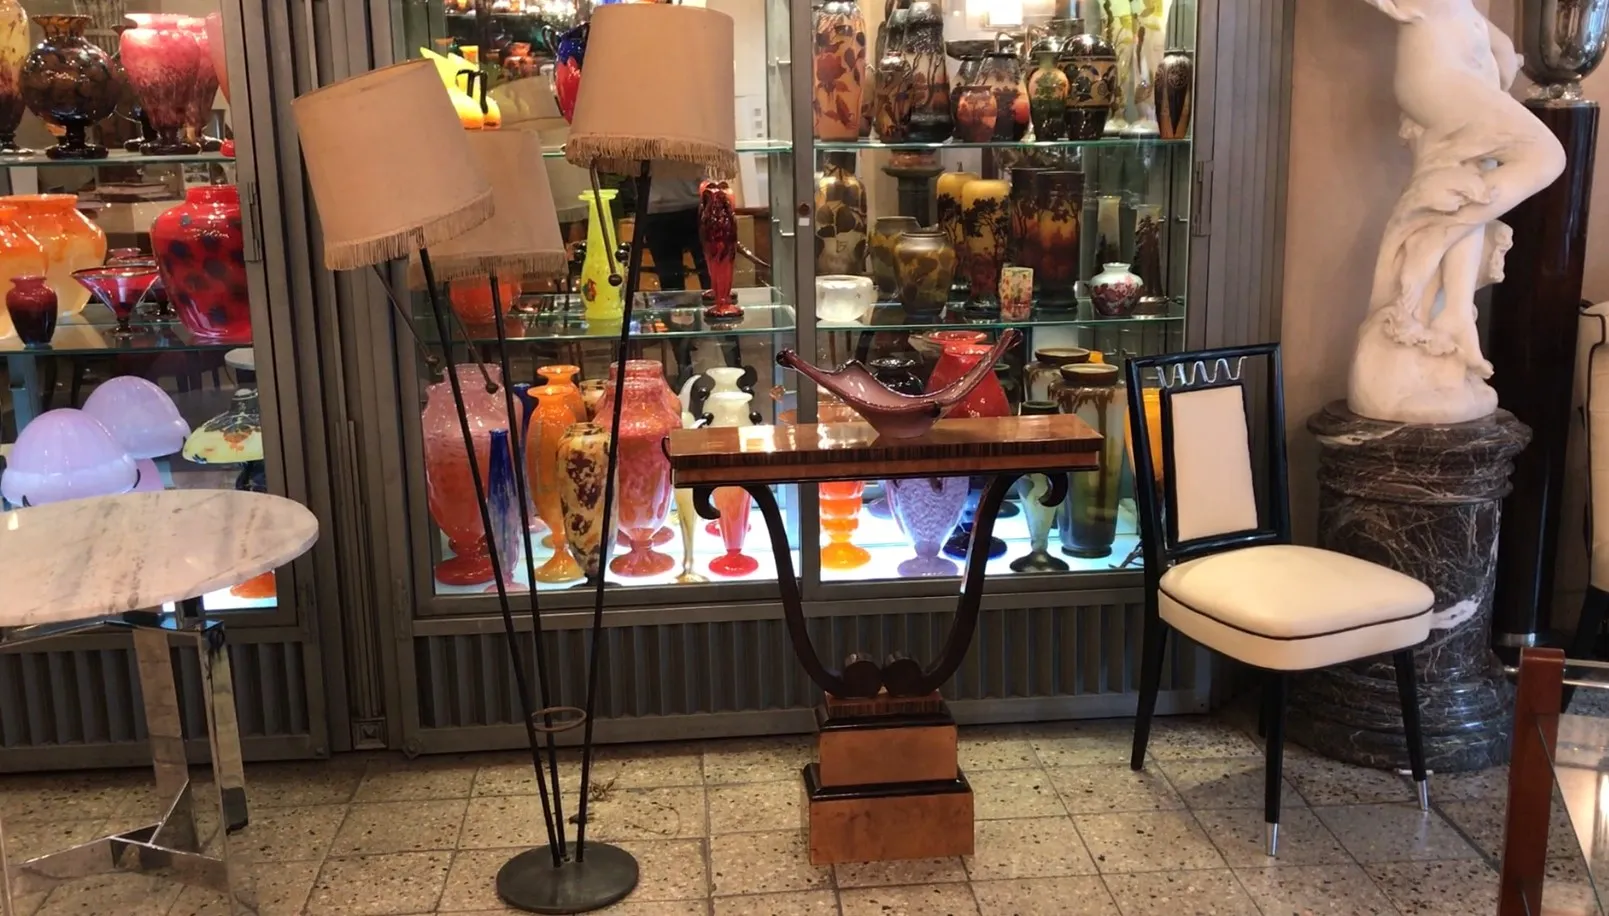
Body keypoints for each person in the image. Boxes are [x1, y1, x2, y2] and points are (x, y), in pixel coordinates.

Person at [642, 177, 711, 295]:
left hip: (695, 207)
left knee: (710, 275)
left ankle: (717, 306)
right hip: (659, 211)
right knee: (670, 281)